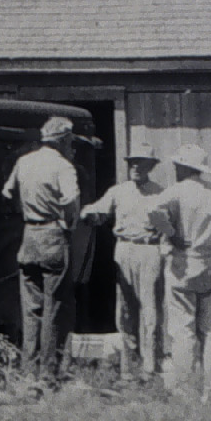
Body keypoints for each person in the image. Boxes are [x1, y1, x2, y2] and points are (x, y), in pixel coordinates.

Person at [152, 142, 211, 397]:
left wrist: (171, 235)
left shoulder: (177, 191)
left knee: (182, 327)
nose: (174, 168)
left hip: (184, 262)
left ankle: (184, 389)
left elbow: (153, 212)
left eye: (177, 165)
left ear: (184, 167)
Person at [2, 115, 82, 383]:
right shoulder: (63, 166)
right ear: (64, 140)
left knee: (31, 308)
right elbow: (71, 200)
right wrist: (68, 222)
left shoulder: (24, 161)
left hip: (29, 235)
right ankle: (49, 374)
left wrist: (26, 213)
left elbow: (7, 192)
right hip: (52, 234)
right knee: (55, 306)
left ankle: (28, 370)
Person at [80, 140, 167, 378]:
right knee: (125, 310)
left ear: (151, 166)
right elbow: (98, 210)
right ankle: (129, 368)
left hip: (149, 250)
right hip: (124, 249)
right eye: (133, 162)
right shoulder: (118, 191)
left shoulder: (161, 194)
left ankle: (151, 367)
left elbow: (172, 226)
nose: (136, 167)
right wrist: (87, 212)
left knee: (150, 309)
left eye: (142, 163)